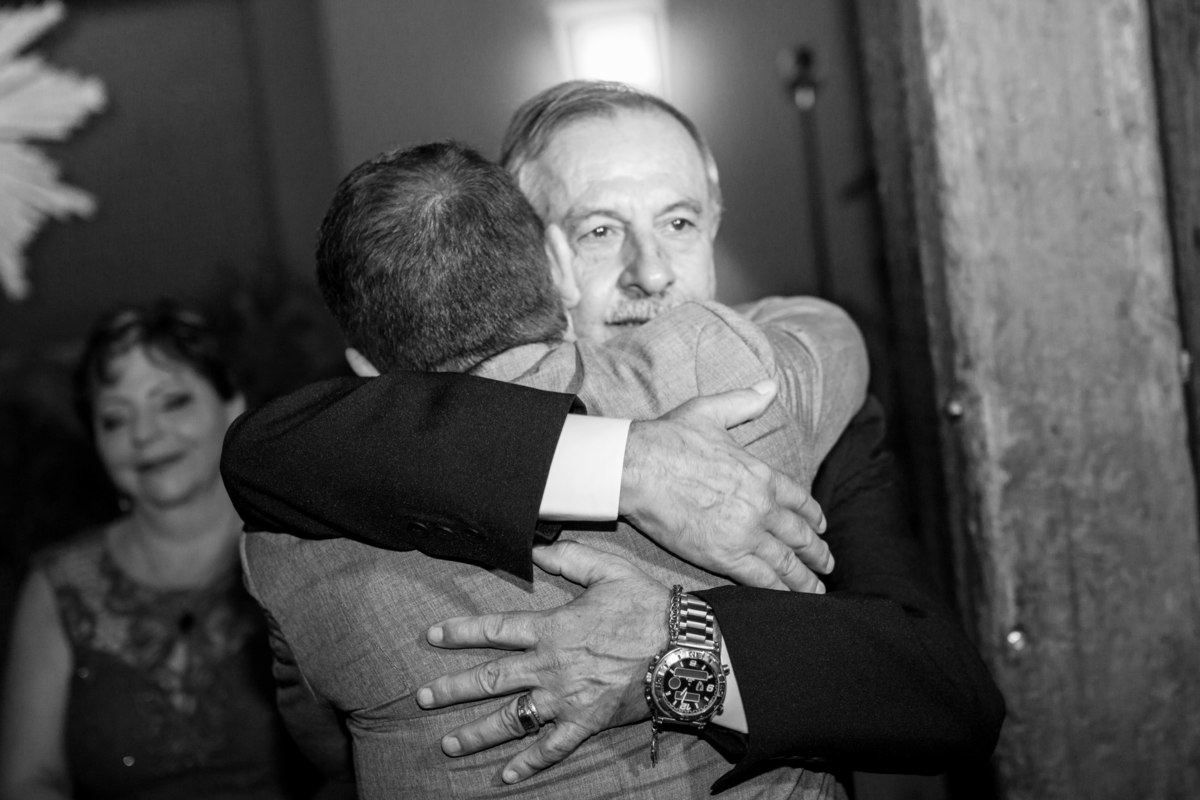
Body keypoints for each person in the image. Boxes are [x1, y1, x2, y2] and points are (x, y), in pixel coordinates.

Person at [222, 81, 1004, 791]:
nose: (652, 272)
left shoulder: (789, 394)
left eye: (679, 221)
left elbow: (945, 693)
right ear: (541, 254)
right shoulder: (348, 458)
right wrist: (625, 463)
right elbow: (269, 450)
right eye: (600, 229)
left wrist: (682, 654)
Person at [0, 302, 322, 800]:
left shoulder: (307, 551)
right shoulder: (57, 586)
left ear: (231, 403)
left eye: (171, 401)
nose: (145, 434)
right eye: (115, 419)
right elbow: (28, 780)